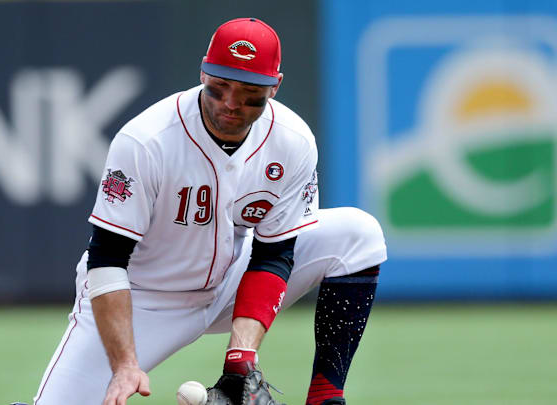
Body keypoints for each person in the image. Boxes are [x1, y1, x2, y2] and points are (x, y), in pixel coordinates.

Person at [32, 17, 386, 405]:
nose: (231, 103)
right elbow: (106, 258)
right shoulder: (146, 140)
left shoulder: (293, 140)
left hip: (231, 280)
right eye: (219, 86)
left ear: (275, 85)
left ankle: (326, 397)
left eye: (249, 91)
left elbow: (274, 254)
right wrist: (124, 363)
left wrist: (242, 356)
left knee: (358, 233)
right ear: (203, 70)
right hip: (145, 298)